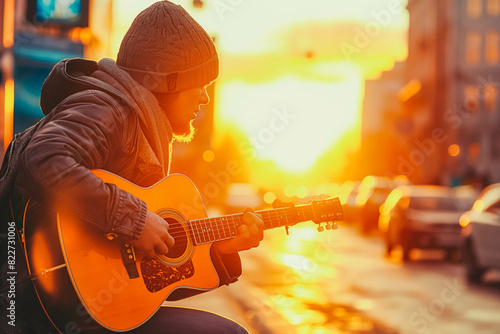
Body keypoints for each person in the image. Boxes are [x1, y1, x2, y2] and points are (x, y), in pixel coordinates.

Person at [0, 1, 264, 333]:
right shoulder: (109, 108)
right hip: (33, 307)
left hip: (84, 308)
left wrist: (220, 252)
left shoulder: (140, 127)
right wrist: (136, 220)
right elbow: (44, 157)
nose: (205, 99)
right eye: (201, 84)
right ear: (168, 82)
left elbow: (143, 285)